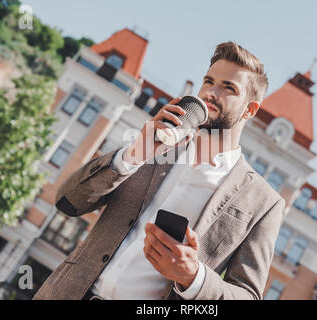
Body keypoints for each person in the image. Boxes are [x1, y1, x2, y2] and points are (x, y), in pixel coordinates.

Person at [33, 41, 286, 300]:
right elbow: (68, 202)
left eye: (228, 88)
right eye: (208, 81)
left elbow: (248, 295)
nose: (211, 93)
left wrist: (193, 277)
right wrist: (134, 155)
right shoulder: (155, 144)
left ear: (250, 109)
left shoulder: (264, 203)